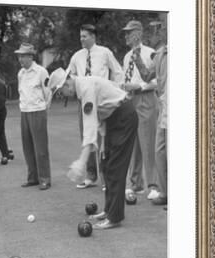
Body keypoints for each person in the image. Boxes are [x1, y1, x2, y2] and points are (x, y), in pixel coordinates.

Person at [61, 72, 138, 229]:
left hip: (123, 118)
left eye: (60, 91)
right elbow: (101, 114)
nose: (62, 95)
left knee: (116, 168)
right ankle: (108, 210)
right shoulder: (84, 86)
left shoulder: (85, 88)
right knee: (106, 164)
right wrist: (103, 144)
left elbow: (89, 127)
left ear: (67, 84)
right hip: (113, 119)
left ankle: (114, 218)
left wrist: (81, 162)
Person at [66, 24, 124, 189]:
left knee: (104, 139)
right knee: (87, 135)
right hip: (84, 100)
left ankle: (106, 178)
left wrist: (115, 88)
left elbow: (118, 72)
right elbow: (68, 75)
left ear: (93, 36)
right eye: (80, 36)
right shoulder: (77, 56)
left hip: (103, 102)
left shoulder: (105, 52)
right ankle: (91, 176)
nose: (81, 39)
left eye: (84, 36)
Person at [121, 20, 160, 201]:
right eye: (126, 33)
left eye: (129, 32)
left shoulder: (150, 53)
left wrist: (138, 86)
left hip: (145, 99)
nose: (126, 36)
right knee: (133, 144)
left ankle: (153, 185)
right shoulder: (127, 56)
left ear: (138, 33)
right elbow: (125, 78)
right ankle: (135, 183)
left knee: (147, 142)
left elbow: (156, 81)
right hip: (130, 101)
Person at [138, 20, 168, 207]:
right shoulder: (158, 54)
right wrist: (137, 59)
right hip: (165, 108)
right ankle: (165, 193)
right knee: (160, 152)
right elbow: (147, 76)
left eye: (157, 29)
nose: (153, 33)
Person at [16, 43, 52, 190]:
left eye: (23, 56)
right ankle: (33, 177)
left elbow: (48, 93)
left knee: (40, 148)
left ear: (30, 56)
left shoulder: (41, 72)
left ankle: (45, 178)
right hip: (24, 111)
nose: (20, 59)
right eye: (19, 56)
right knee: (28, 147)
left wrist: (44, 110)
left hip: (38, 111)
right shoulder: (20, 74)